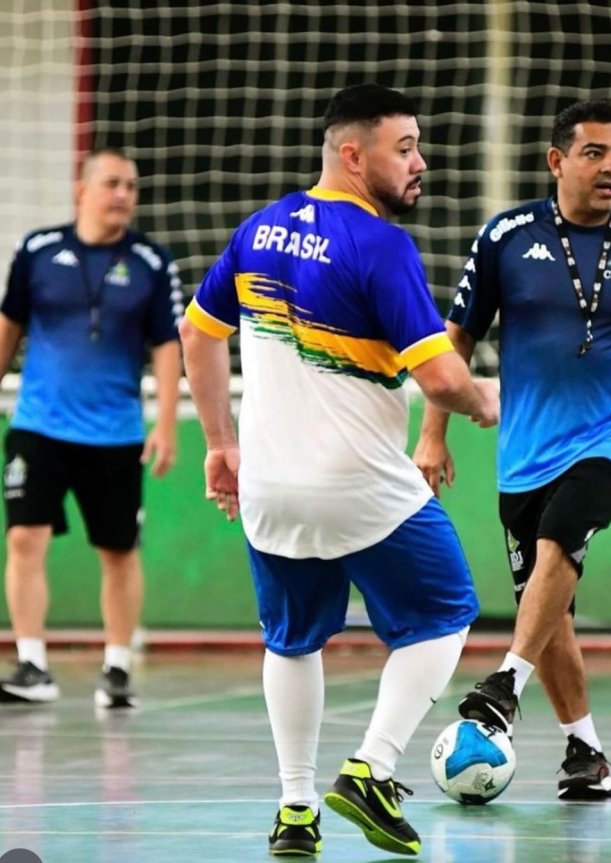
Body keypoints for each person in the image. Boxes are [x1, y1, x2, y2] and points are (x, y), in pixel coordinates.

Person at [179, 83, 498, 857]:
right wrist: (491, 400)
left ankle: (295, 809)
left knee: (292, 641)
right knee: (447, 610)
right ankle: (373, 770)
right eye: (405, 148)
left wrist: (220, 444)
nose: (421, 162)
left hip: (268, 490)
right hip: (360, 488)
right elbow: (442, 379)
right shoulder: (380, 244)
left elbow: (196, 334)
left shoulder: (259, 231)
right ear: (352, 156)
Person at [414, 99, 611, 800]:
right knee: (553, 611)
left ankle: (504, 683)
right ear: (556, 160)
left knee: (562, 539)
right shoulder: (506, 237)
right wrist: (432, 430)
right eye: (595, 152)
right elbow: (458, 338)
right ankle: (586, 750)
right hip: (525, 449)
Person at [0, 147, 183, 710]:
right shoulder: (38, 250)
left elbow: (167, 345)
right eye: (112, 183)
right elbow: (8, 327)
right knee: (24, 536)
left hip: (114, 433)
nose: (123, 196)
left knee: (118, 550)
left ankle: (116, 667)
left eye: (132, 187)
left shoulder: (152, 263)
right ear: (81, 190)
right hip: (38, 425)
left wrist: (165, 422)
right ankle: (32, 663)